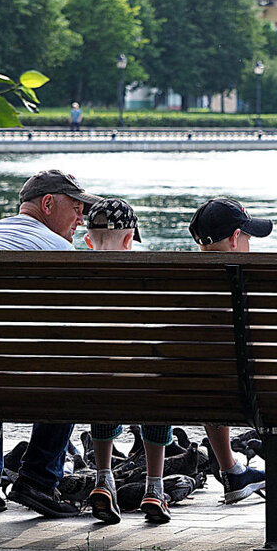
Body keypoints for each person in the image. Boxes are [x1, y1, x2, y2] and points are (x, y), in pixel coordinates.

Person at [0, 169, 101, 518]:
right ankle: (37, 478)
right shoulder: (57, 248)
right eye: (77, 207)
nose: (82, 218)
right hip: (25, 373)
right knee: (74, 366)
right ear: (47, 203)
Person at [188, 197, 277, 516]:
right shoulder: (258, 280)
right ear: (233, 239)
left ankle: (231, 470)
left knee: (205, 378)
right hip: (266, 395)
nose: (250, 244)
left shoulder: (183, 285)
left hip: (198, 394)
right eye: (248, 237)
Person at [81, 197, 177, 526]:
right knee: (158, 383)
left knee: (100, 382)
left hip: (91, 385)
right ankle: (154, 487)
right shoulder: (149, 274)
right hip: (147, 385)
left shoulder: (75, 275)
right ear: (129, 238)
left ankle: (104, 478)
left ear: (87, 240)